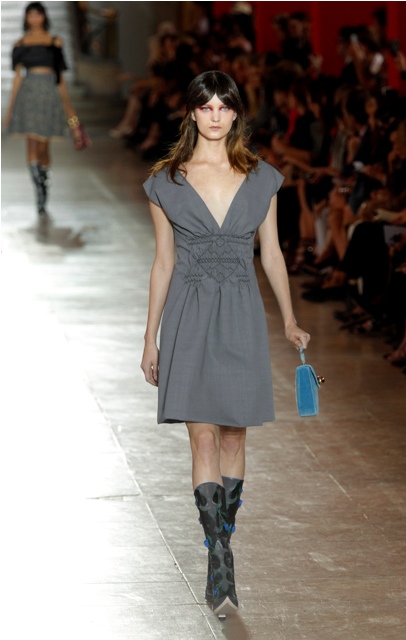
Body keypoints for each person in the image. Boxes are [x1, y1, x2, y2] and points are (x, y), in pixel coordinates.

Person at [140, 71, 310, 617]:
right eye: (205, 106)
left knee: (235, 436)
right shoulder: (166, 181)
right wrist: (150, 338)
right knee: (204, 440)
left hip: (240, 312)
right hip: (188, 315)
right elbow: (163, 262)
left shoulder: (261, 179)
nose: (215, 116)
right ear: (191, 113)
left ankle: (222, 541)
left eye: (224, 106)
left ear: (236, 113)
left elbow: (272, 254)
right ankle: (219, 556)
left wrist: (289, 320)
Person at [4, 2, 77, 218]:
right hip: (28, 94)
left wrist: (68, 106)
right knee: (32, 142)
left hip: (48, 94)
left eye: (38, 14)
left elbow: (60, 78)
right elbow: (17, 78)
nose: (35, 19)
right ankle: (39, 194)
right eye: (31, 15)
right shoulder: (20, 44)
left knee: (44, 146)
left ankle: (44, 181)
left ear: (44, 17)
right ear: (26, 18)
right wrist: (10, 109)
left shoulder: (55, 42)